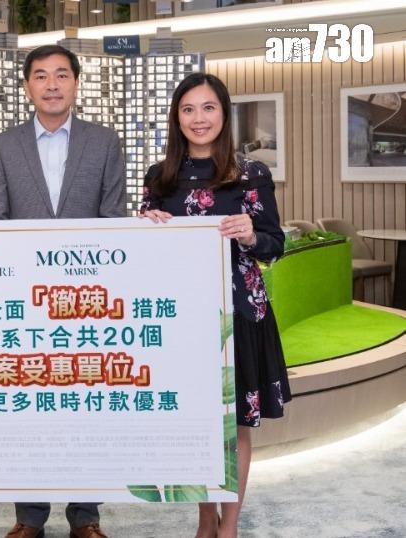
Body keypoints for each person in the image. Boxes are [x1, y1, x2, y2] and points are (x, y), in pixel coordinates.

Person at [0, 45, 126, 538]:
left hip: (88, 299)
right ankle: (29, 516)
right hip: (24, 300)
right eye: (41, 76)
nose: (52, 85)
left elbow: (113, 219)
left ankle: (87, 515)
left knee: (89, 402)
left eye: (62, 75)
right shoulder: (3, 146)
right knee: (28, 404)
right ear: (27, 87)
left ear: (76, 83)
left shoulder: (104, 142)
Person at [140, 72, 291, 538]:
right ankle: (205, 518)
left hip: (239, 314)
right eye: (188, 109)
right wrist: (146, 226)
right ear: (176, 117)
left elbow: (274, 244)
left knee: (236, 424)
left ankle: (230, 526)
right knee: (196, 421)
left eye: (208, 107)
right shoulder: (160, 177)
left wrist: (250, 234)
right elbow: (146, 254)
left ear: (224, 113)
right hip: (182, 316)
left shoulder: (251, 173)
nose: (198, 118)